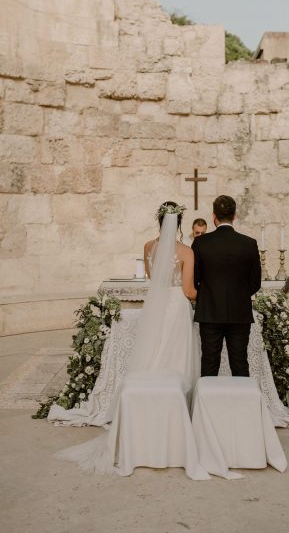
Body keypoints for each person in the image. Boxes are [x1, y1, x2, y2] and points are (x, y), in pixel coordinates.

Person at [56, 201, 207, 479]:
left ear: (159, 221)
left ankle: (147, 412)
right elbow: (188, 290)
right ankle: (175, 418)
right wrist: (206, 291)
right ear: (180, 223)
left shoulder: (149, 247)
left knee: (153, 355)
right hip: (175, 307)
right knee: (175, 355)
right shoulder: (186, 251)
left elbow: (153, 278)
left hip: (156, 305)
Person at [192, 195, 262, 377]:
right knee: (239, 362)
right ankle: (242, 404)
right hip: (240, 312)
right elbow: (255, 283)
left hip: (210, 312)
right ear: (235, 216)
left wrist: (209, 293)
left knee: (209, 362)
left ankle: (207, 404)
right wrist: (238, 294)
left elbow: (195, 279)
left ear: (213, 216)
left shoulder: (200, 243)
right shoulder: (249, 243)